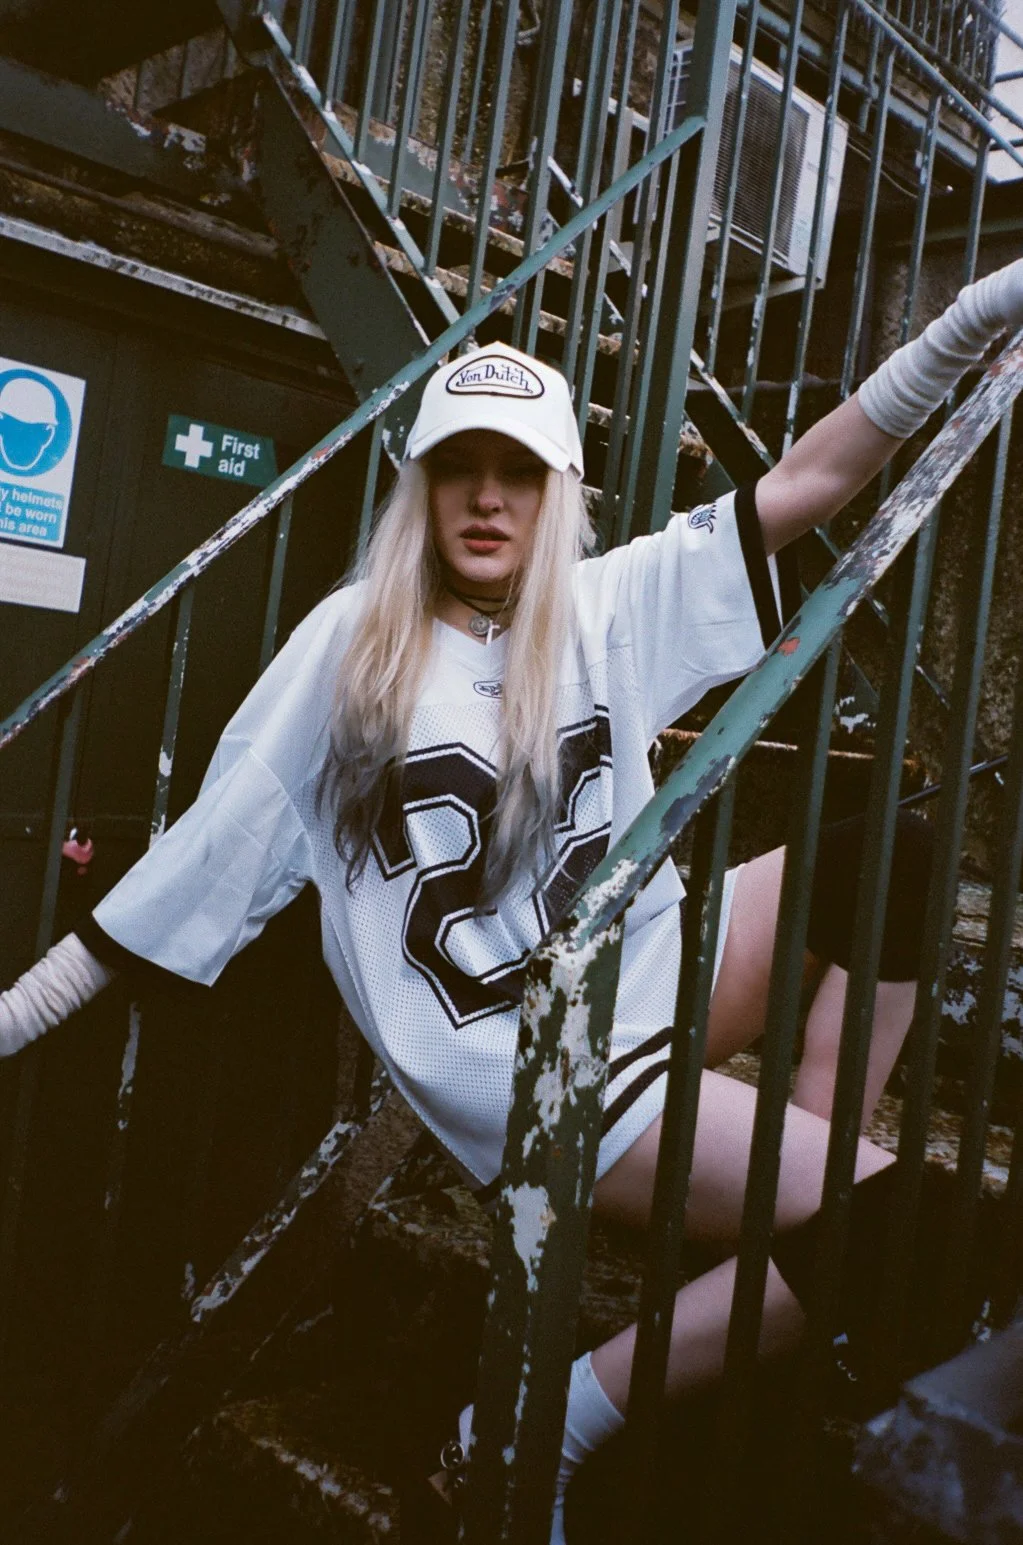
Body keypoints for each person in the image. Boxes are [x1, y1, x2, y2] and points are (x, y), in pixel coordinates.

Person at [1, 258, 1021, 1543]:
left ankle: (787, 1209)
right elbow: (187, 870)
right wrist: (11, 1017)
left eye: (522, 471)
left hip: (649, 975)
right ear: (421, 487)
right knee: (917, 1227)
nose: (488, 496)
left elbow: (811, 483)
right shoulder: (347, 649)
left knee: (901, 852)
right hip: (530, 1061)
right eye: (459, 467)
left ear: (557, 495)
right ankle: (533, 1430)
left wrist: (976, 318)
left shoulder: (608, 608)